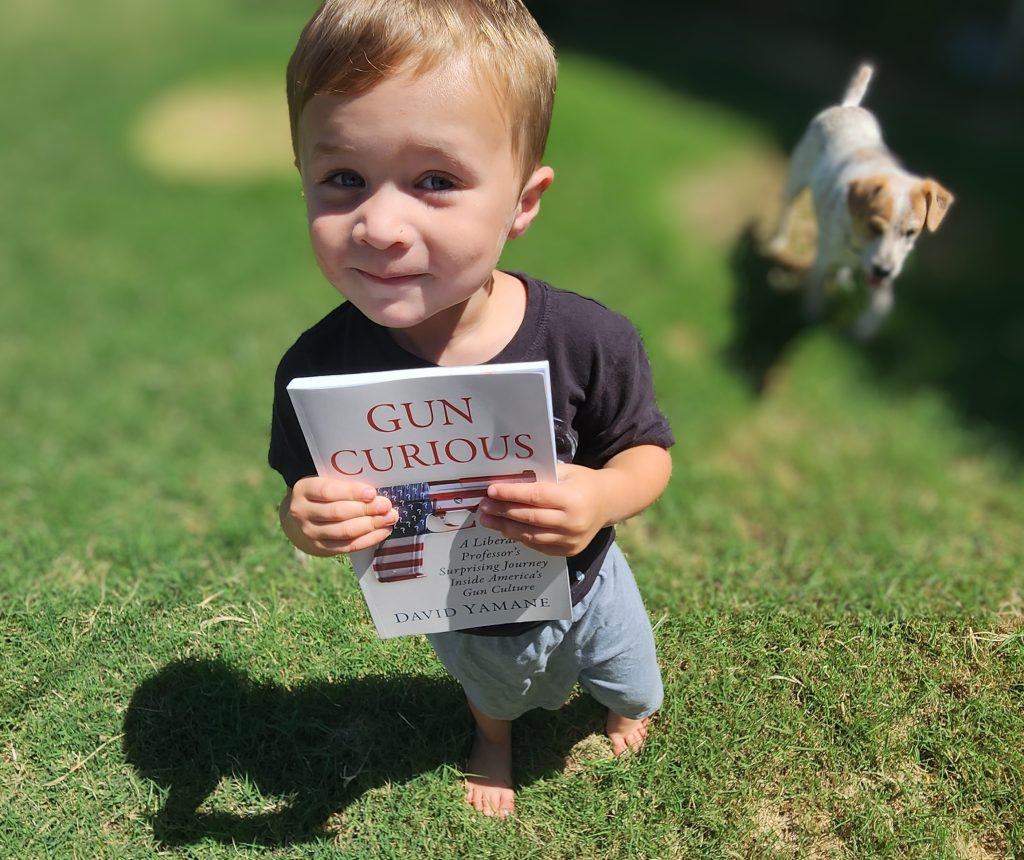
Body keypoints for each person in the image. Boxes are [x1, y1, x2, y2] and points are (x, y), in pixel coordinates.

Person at [269, 0, 674, 818]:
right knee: (490, 689)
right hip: (457, 602)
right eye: (344, 178)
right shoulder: (317, 369)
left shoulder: (588, 339)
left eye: (435, 182)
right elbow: (300, 495)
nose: (381, 225)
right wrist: (306, 522)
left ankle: (624, 706)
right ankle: (493, 739)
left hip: (590, 580)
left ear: (522, 202)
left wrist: (600, 497)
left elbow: (647, 453)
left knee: (629, 670)